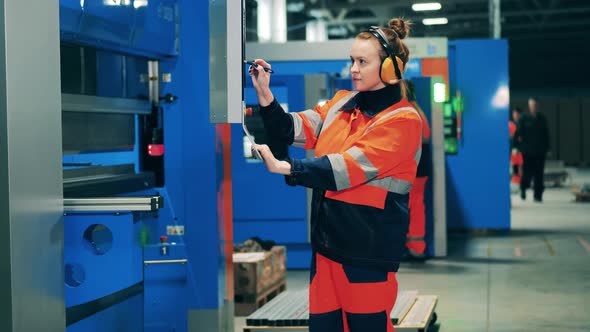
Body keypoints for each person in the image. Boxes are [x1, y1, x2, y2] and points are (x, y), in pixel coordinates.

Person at [248, 18, 422, 332]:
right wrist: (265, 96)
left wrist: (288, 167)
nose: (353, 68)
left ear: (390, 69)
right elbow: (294, 127)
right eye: (352, 60)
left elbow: (345, 168)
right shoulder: (342, 104)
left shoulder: (402, 120)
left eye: (362, 62)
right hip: (327, 248)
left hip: (366, 254)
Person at [404, 81, 431, 260]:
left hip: (412, 169)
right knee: (415, 205)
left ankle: (414, 247)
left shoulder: (407, 113)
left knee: (411, 206)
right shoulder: (417, 110)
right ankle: (416, 246)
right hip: (419, 168)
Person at [513, 97, 550, 202]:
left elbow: (546, 134)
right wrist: (515, 147)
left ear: (538, 105)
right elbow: (517, 133)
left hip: (540, 151)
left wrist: (548, 148)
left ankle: (538, 195)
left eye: (535, 105)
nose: (533, 107)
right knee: (527, 173)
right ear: (529, 106)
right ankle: (523, 188)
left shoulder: (542, 118)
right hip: (527, 151)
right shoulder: (524, 118)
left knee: (539, 173)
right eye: (531, 105)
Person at [509, 107, 523, 184]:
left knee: (521, 165)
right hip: (513, 148)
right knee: (514, 164)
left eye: (517, 114)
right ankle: (516, 180)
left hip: (522, 148)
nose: (515, 115)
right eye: (514, 114)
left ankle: (522, 180)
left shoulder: (523, 124)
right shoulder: (510, 124)